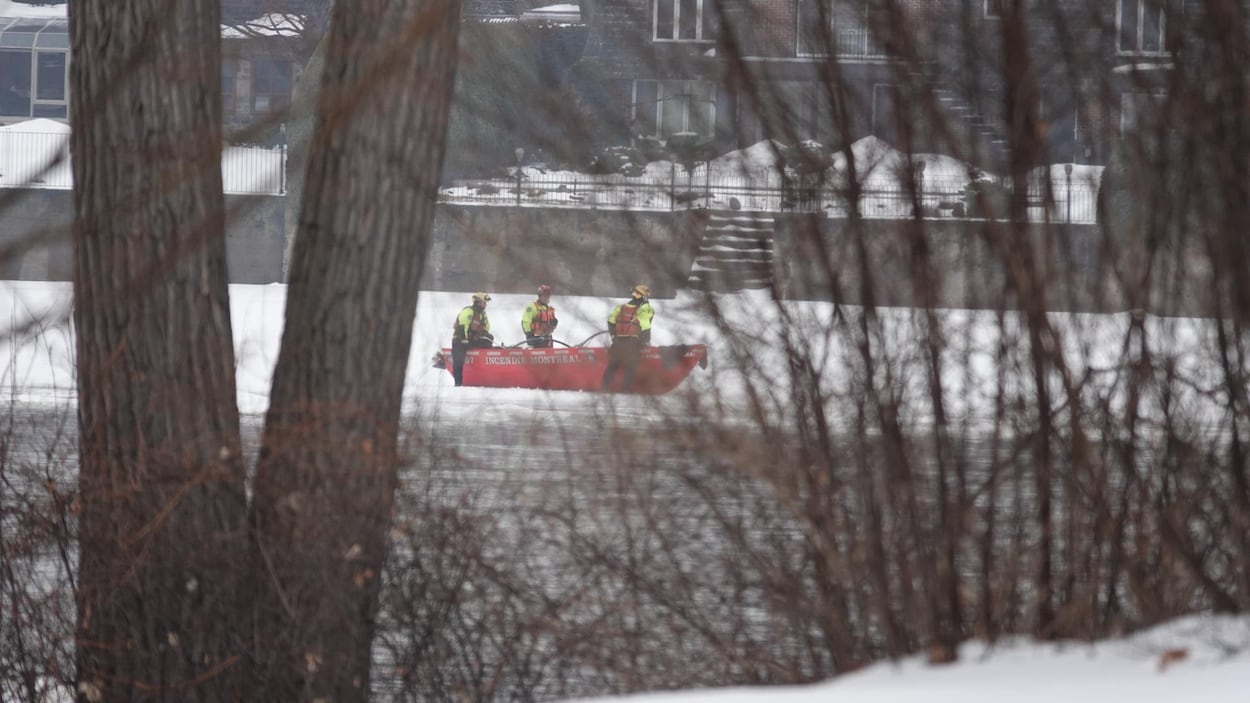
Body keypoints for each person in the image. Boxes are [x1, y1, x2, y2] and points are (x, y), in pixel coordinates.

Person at [601, 284, 654, 392]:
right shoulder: (643, 309)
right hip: (632, 343)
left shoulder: (621, 307)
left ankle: (604, 388)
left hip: (617, 342)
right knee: (631, 366)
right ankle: (626, 389)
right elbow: (645, 326)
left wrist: (613, 336)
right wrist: (646, 341)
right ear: (644, 296)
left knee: (613, 365)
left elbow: (610, 321)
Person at [451, 292, 494, 386]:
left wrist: (481, 336)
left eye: (486, 303)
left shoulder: (483, 314)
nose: (485, 305)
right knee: (458, 361)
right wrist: (465, 340)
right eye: (484, 303)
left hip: (471, 340)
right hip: (460, 340)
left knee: (488, 338)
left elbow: (486, 328)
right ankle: (458, 384)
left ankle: (484, 372)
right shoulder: (468, 311)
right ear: (477, 302)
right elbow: (462, 327)